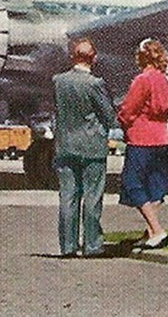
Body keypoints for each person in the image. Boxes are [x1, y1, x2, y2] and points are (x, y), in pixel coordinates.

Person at [52, 38, 117, 258]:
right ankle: (92, 245)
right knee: (92, 197)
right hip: (92, 147)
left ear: (72, 57)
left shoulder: (58, 81)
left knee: (67, 197)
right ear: (94, 59)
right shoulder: (95, 84)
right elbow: (108, 115)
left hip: (65, 147)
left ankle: (68, 246)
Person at [118, 38, 168, 249]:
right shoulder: (164, 80)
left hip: (141, 138)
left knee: (132, 183)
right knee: (156, 185)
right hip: (161, 137)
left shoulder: (142, 80)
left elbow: (128, 110)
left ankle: (157, 230)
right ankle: (151, 231)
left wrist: (123, 122)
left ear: (142, 57)